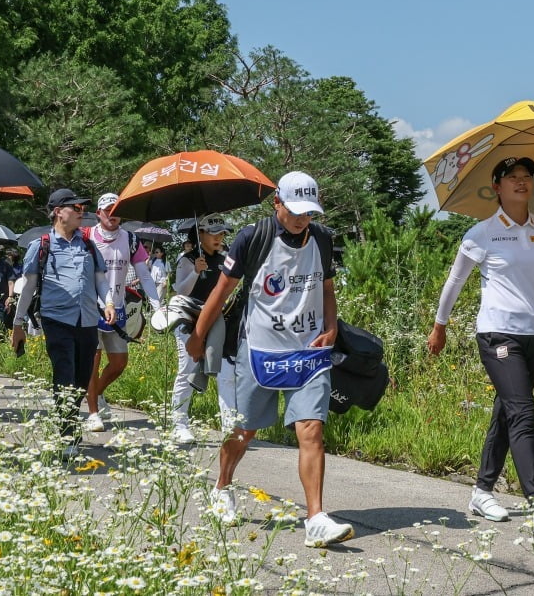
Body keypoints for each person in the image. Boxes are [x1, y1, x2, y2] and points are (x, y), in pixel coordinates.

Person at [187, 171, 354, 548]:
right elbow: (221, 291)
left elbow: (326, 288)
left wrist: (330, 327)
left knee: (311, 429)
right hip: (260, 348)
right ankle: (222, 486)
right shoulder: (253, 238)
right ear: (276, 203)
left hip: (308, 351)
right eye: (294, 210)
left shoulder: (323, 239)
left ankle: (315, 519)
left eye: (309, 212)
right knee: (245, 432)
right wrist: (198, 338)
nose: (301, 219)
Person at [426, 157, 534, 530]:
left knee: (507, 411)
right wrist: (439, 326)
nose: (521, 183)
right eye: (512, 178)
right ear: (497, 187)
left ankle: (481, 491)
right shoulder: (482, 233)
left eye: (527, 177)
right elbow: (454, 282)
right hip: (497, 333)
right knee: (523, 411)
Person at [10, 188, 113, 459]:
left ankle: (68, 417)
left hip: (88, 320)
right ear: (58, 212)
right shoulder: (41, 245)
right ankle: (68, 433)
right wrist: (17, 323)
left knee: (81, 378)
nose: (81, 213)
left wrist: (109, 302)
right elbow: (29, 286)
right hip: (57, 320)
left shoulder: (89, 245)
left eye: (82, 208)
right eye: (75, 208)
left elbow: (101, 279)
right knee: (64, 374)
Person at [83, 193, 162, 433]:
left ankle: (95, 394)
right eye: (108, 210)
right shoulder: (86, 237)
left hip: (117, 308)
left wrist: (157, 305)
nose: (112, 215)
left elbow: (145, 275)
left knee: (119, 363)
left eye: (117, 210)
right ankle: (93, 413)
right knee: (93, 362)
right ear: (99, 213)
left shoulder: (131, 239)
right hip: (91, 308)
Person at [169, 214, 233, 443]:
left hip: (215, 318)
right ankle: (179, 423)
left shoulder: (225, 259)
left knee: (225, 370)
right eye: (213, 233)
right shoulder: (187, 259)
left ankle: (229, 424)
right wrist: (196, 271)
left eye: (222, 233)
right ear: (201, 235)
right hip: (188, 318)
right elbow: (181, 292)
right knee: (187, 368)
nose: (219, 237)